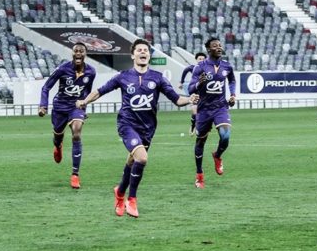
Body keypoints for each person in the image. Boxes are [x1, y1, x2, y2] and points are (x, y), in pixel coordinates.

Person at [76, 39, 198, 218]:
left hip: (147, 128)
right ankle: (131, 200)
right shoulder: (123, 76)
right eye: (139, 50)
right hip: (127, 125)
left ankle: (119, 192)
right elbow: (100, 90)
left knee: (132, 161)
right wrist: (84, 101)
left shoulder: (157, 78)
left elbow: (177, 100)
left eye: (146, 50)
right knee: (141, 158)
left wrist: (190, 99)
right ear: (133, 55)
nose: (143, 52)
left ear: (149, 55)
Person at [38, 42, 96, 189]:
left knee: (77, 133)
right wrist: (43, 105)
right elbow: (46, 87)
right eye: (75, 50)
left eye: (81, 51)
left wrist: (84, 107)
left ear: (85, 54)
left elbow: (86, 93)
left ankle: (75, 175)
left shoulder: (91, 72)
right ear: (72, 53)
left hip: (76, 108)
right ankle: (58, 146)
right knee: (58, 136)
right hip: (60, 107)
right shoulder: (63, 69)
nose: (78, 53)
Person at [187, 37, 236, 189]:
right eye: (215, 46)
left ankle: (217, 156)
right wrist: (199, 83)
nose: (219, 48)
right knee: (201, 141)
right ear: (209, 49)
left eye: (220, 45)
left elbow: (232, 81)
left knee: (225, 135)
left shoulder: (227, 66)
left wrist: (233, 94)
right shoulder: (200, 67)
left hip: (220, 107)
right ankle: (199, 175)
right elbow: (190, 88)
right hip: (204, 109)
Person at [179, 52, 207, 135]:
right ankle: (193, 125)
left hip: (204, 92)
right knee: (195, 110)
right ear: (196, 59)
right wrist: (181, 82)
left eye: (203, 59)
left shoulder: (208, 69)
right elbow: (185, 70)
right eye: (199, 59)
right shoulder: (193, 67)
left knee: (202, 111)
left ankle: (199, 125)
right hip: (194, 90)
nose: (201, 60)